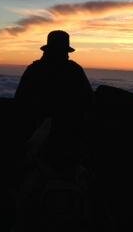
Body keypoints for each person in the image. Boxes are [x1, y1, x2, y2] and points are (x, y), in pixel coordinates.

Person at [15, 30, 94, 160]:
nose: (66, 56)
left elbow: (20, 100)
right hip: (66, 132)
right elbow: (88, 100)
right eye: (65, 52)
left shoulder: (34, 69)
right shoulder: (74, 70)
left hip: (36, 129)